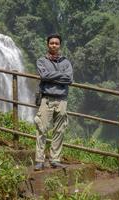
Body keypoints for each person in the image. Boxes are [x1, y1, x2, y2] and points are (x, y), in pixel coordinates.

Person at [34, 34, 73, 171]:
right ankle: (39, 160)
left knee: (59, 130)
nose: (54, 45)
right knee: (42, 128)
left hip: (62, 100)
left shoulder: (66, 62)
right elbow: (43, 76)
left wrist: (51, 77)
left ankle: (55, 159)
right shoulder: (41, 61)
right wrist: (60, 76)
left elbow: (69, 79)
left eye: (56, 43)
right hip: (47, 99)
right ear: (47, 44)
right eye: (51, 43)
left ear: (60, 45)